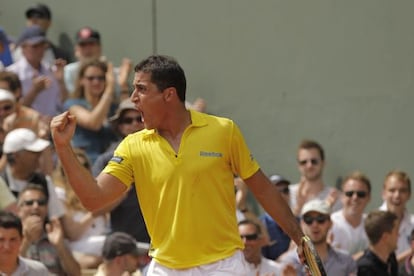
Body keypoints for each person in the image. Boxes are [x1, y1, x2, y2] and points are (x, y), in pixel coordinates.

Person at [51, 54, 306, 274]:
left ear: (169, 95)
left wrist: (299, 237)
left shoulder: (223, 131)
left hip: (224, 266)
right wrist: (63, 147)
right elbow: (93, 199)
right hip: (165, 268)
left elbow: (262, 189)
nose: (133, 98)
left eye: (141, 89)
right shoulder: (132, 145)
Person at [92, 98, 150, 243]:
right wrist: (120, 192)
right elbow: (95, 208)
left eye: (140, 118)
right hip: (122, 243)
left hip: (161, 243)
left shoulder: (165, 153)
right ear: (120, 126)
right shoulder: (106, 160)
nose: (135, 124)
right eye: (127, 120)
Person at [53, 147, 109, 268]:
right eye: (69, 167)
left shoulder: (93, 190)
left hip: (102, 248)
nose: (77, 171)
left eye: (84, 166)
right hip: (77, 251)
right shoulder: (59, 193)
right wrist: (95, 212)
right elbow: (73, 234)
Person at [278, 199, 357, 275]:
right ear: (302, 224)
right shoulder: (289, 262)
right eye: (308, 219)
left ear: (330, 223)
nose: (315, 225)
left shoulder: (346, 261)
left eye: (321, 219)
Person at [17, 184, 81, 275]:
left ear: (46, 208)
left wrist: (60, 246)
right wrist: (26, 241)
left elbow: (76, 274)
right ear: (19, 210)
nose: (36, 206)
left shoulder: (54, 235)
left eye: (41, 202)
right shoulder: (10, 237)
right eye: (29, 203)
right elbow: (9, 270)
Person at [63, 59, 117, 163]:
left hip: (112, 163)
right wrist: (110, 89)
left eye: (101, 78)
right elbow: (93, 123)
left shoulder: (112, 107)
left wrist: (123, 84)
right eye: (91, 78)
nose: (96, 82)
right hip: (86, 163)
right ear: (81, 80)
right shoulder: (73, 104)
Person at [7, 25, 67, 117]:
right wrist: (34, 91)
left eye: (42, 45)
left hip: (51, 126)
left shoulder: (52, 70)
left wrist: (61, 82)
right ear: (23, 48)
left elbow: (63, 104)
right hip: (24, 128)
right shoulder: (11, 73)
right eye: (34, 46)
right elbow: (9, 111)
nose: (40, 50)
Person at [64, 26, 132, 101]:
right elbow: (69, 101)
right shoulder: (68, 70)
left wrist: (123, 82)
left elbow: (121, 103)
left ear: (99, 47)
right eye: (83, 45)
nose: (87, 49)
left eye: (91, 44)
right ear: (76, 49)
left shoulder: (113, 72)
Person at [290, 140, 342, 217]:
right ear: (298, 166)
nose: (309, 166)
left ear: (323, 163)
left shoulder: (337, 198)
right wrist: (298, 208)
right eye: (304, 162)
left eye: (314, 161)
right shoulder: (288, 194)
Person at [330, 171, 371, 257]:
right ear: (341, 196)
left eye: (361, 194)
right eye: (349, 193)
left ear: (369, 198)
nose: (355, 198)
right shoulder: (330, 224)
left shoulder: (373, 225)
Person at [0, 211, 49, 275]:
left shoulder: (38, 271)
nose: (7, 246)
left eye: (13, 239)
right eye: (1, 240)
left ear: (21, 240)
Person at [379, 170, 414, 257]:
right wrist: (411, 252)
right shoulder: (371, 223)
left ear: (409, 195)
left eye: (402, 191)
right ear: (383, 194)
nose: (397, 195)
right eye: (392, 190)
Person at [261, 174, 293, 260]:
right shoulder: (260, 226)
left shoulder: (300, 221)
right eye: (276, 191)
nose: (282, 195)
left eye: (285, 190)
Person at [357, 210, 399, 276]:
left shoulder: (391, 259)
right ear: (385, 237)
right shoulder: (365, 269)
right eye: (396, 232)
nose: (398, 235)